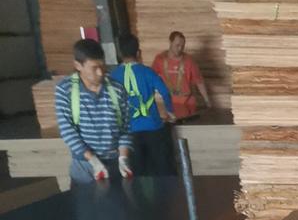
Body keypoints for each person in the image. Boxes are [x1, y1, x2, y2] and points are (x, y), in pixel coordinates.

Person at [55, 38, 134, 186]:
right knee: (85, 201)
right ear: (78, 65)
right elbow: (67, 130)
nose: (100, 72)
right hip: (84, 167)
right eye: (94, 68)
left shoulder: (117, 89)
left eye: (102, 66)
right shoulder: (65, 90)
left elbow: (125, 128)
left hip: (114, 164)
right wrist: (93, 160)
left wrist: (123, 158)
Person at [110, 33, 177, 176]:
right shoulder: (148, 72)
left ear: (119, 54)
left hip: (129, 133)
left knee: (137, 174)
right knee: (161, 170)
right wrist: (170, 111)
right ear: (138, 53)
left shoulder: (113, 76)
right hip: (153, 127)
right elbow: (165, 93)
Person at [152, 31, 211, 121]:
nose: (180, 49)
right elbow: (151, 80)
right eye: (177, 45)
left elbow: (199, 82)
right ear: (170, 42)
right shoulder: (159, 59)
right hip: (170, 104)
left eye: (182, 46)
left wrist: (207, 101)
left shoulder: (189, 61)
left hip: (188, 104)